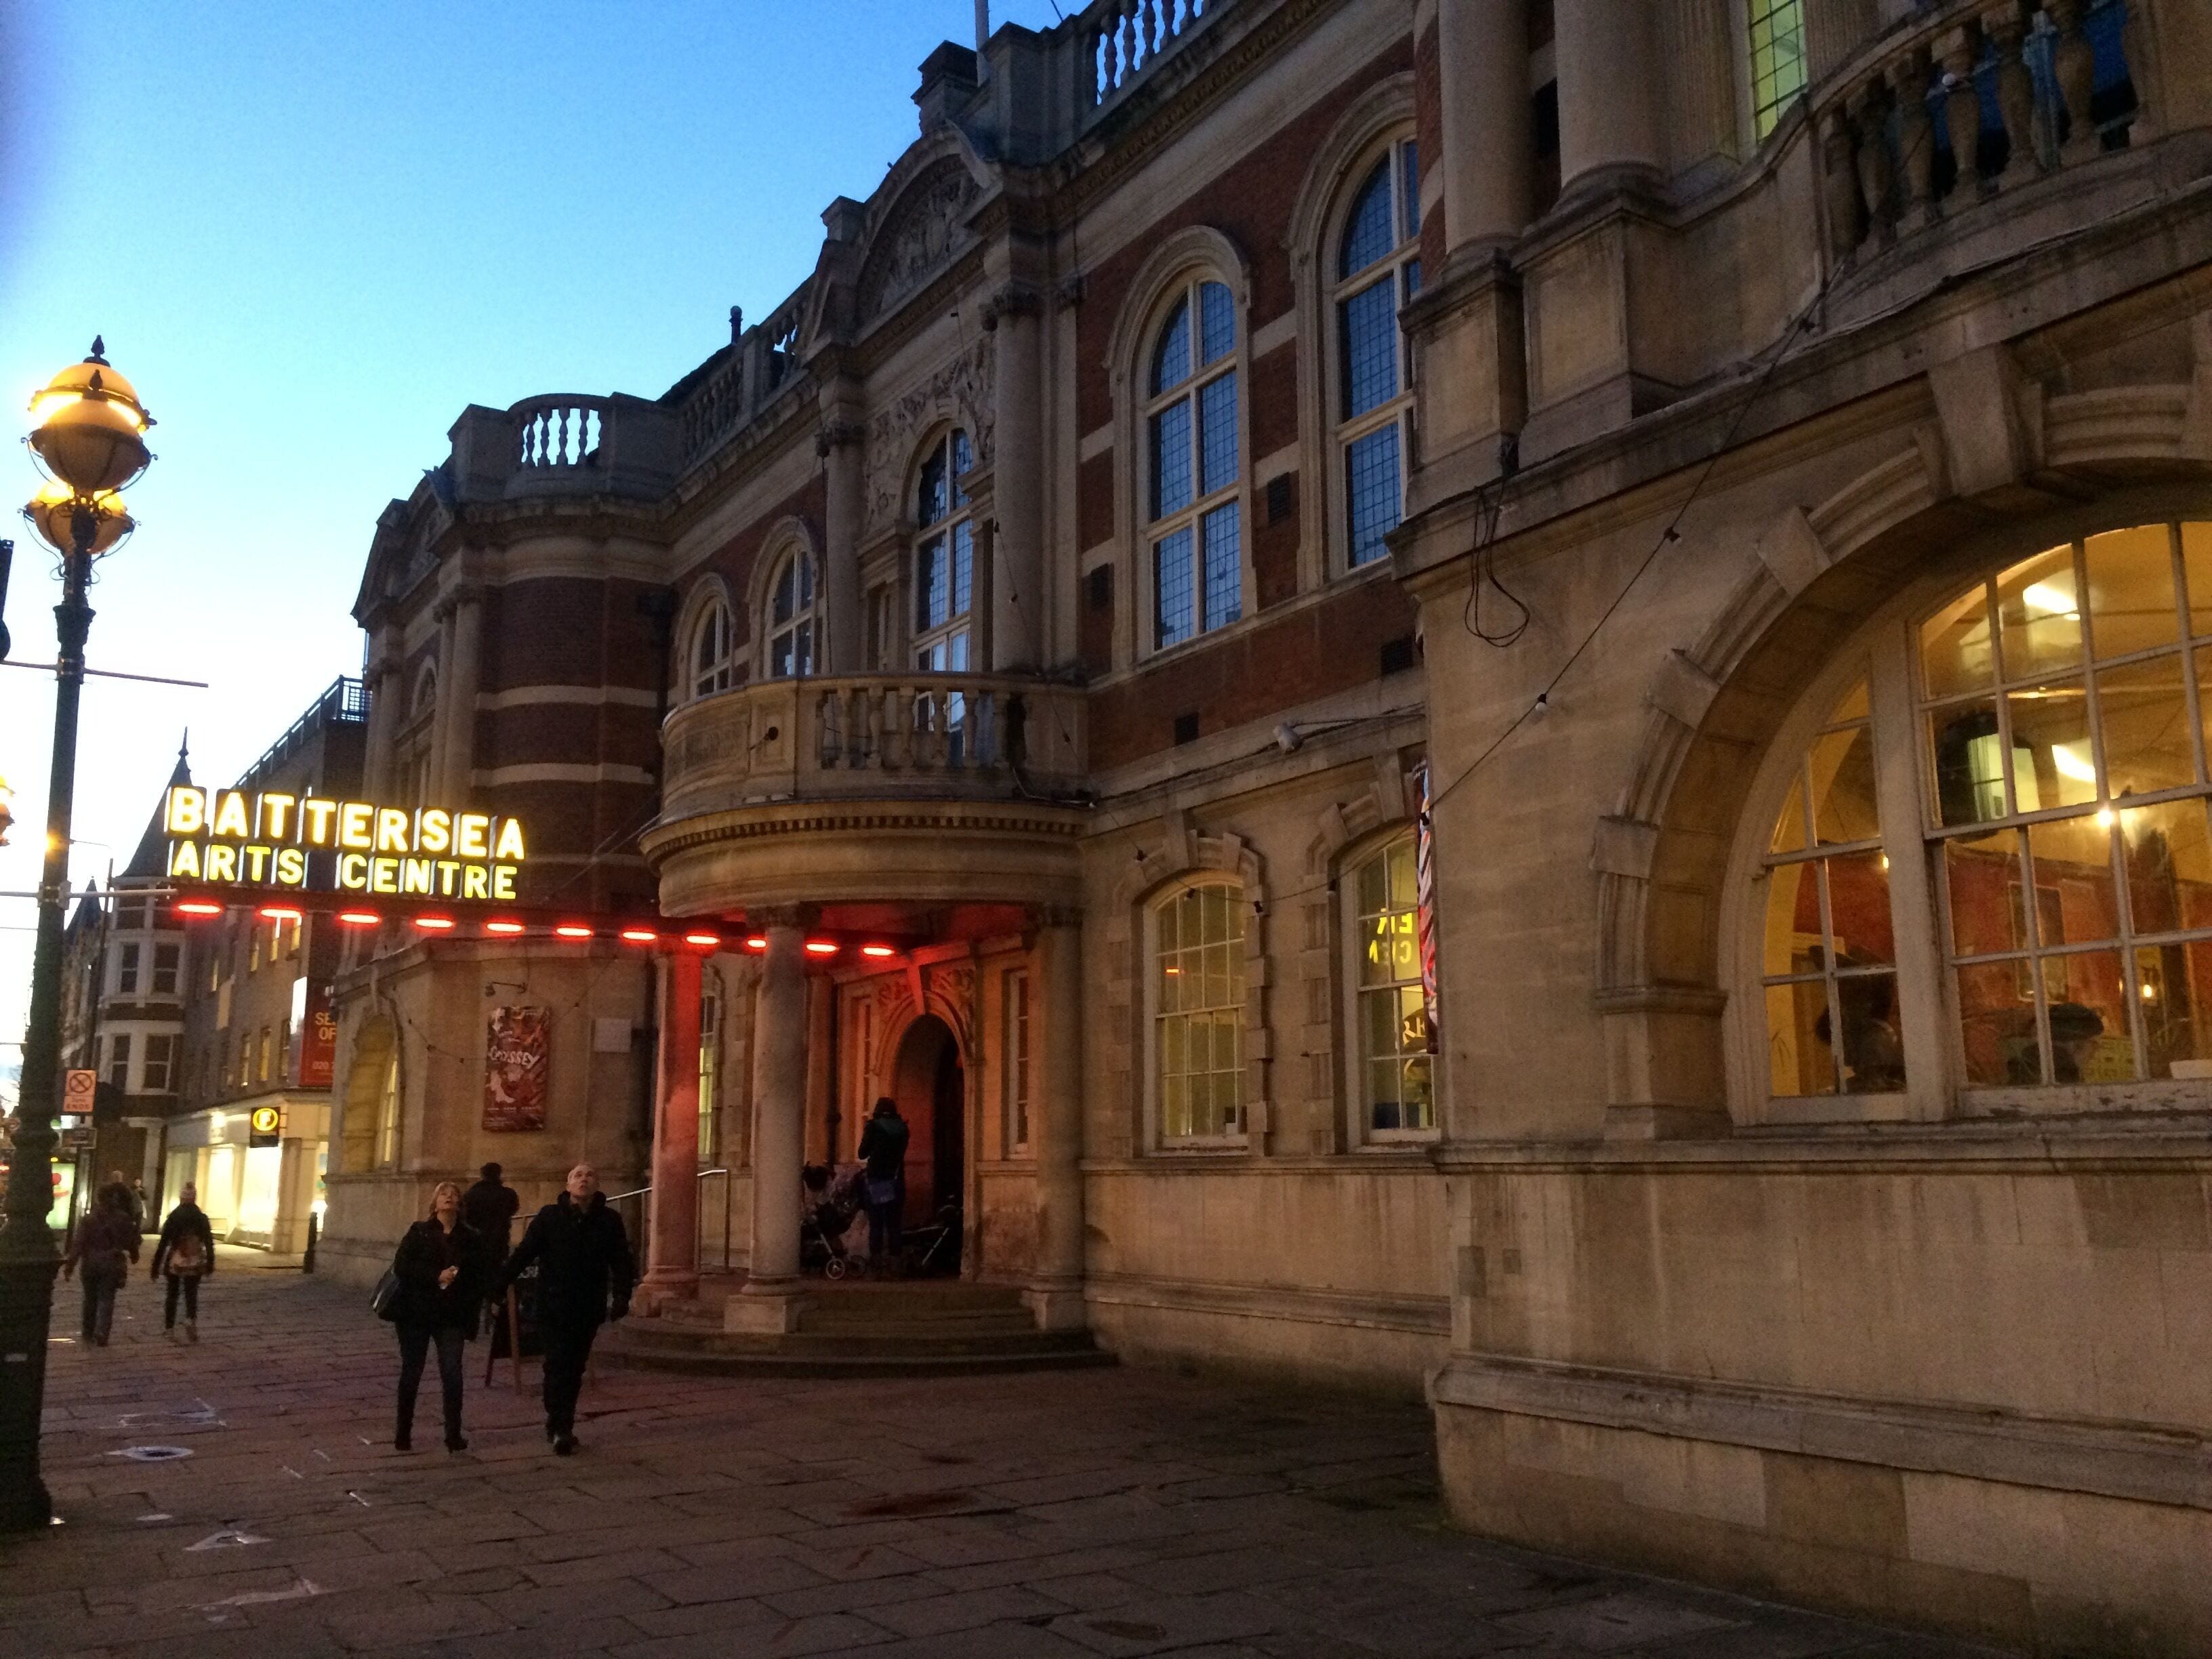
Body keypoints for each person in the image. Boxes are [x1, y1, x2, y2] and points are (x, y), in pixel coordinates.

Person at [496, 1164, 632, 1456]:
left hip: (587, 1304)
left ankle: (563, 1424)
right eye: (577, 1176)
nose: (584, 1180)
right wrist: (500, 1284)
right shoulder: (549, 1217)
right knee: (556, 1364)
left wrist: (622, 1295)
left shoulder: (609, 1220)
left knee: (575, 1367)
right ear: (568, 1185)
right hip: (553, 1303)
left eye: (589, 1176)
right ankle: (558, 1424)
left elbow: (621, 1260)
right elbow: (525, 1252)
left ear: (596, 1185)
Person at [388, 1181, 485, 1453]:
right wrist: (435, 1276)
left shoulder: (470, 1237)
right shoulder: (419, 1232)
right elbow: (402, 1267)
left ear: (460, 1204)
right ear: (434, 1203)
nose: (449, 1198)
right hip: (416, 1313)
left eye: (454, 1195)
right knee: (412, 1373)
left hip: (451, 1315)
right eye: (443, 1194)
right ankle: (403, 1433)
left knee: (453, 1374)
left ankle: (453, 1435)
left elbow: (479, 1274)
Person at [62, 1187, 140, 1346]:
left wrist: (70, 1265)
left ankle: (88, 1331)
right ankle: (102, 1332)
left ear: (99, 1199)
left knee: (90, 1298)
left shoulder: (89, 1219)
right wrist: (134, 1254)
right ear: (114, 1198)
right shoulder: (122, 1218)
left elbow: (79, 1243)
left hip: (90, 1262)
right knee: (107, 1298)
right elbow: (133, 1239)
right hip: (111, 1262)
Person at [150, 1183, 216, 1343]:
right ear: (195, 1198)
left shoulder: (174, 1216)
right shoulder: (201, 1217)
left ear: (181, 1197)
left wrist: (156, 1265)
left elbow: (163, 1243)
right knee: (191, 1292)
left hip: (176, 1258)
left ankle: (169, 1328)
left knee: (172, 1294)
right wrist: (210, 1262)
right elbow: (208, 1242)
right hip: (195, 1259)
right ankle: (190, 1319)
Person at [856, 1098, 910, 1271]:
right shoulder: (903, 1128)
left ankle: (876, 1266)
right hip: (896, 1180)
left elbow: (862, 1153)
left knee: (877, 1223)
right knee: (894, 1224)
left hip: (877, 1179)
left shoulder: (873, 1127)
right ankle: (895, 1265)